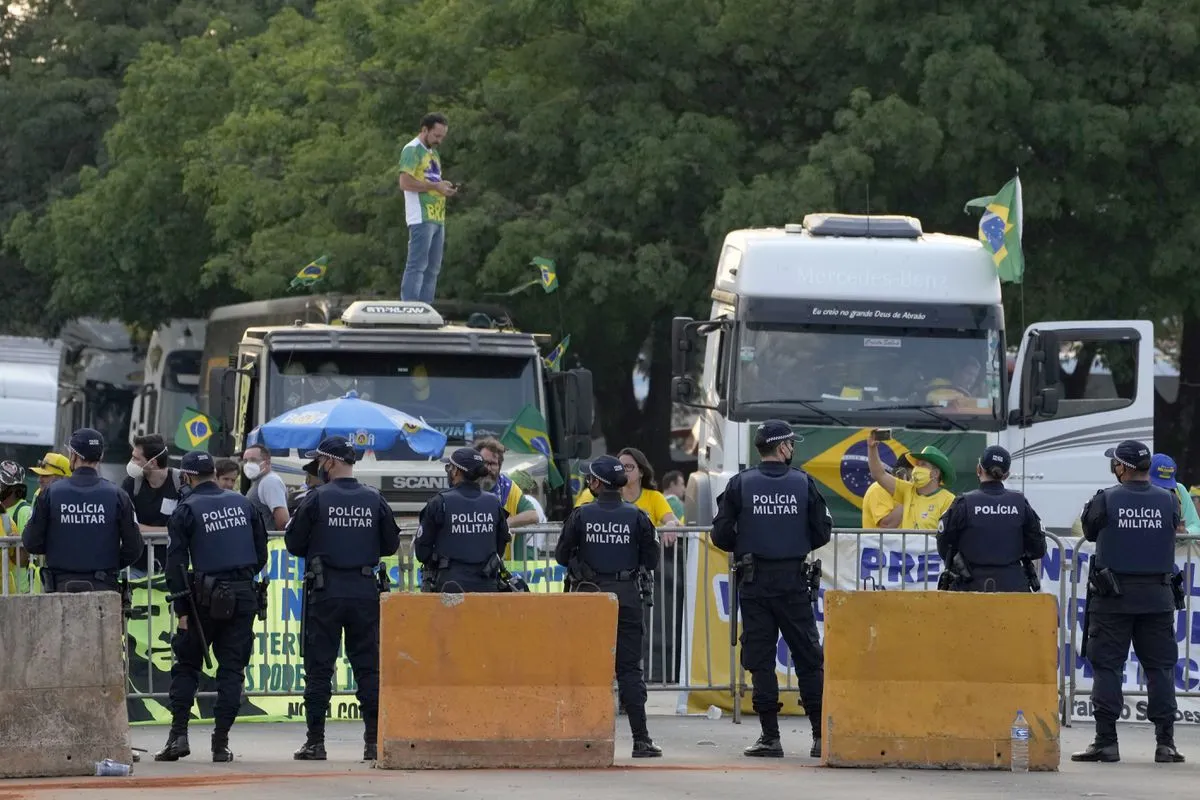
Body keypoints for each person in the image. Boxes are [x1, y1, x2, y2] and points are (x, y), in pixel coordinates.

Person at [711, 419, 832, 759]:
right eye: (791, 444)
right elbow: (822, 531)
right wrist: (791, 541)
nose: (792, 449)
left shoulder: (740, 484)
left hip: (755, 580)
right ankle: (820, 736)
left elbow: (720, 534)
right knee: (809, 659)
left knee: (760, 660)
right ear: (782, 448)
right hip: (793, 580)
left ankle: (770, 737)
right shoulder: (804, 483)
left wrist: (749, 543)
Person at [285, 436, 400, 761]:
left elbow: (294, 543)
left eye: (320, 461)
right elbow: (390, 545)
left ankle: (316, 742)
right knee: (368, 669)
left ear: (330, 462)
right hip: (365, 591)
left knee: (319, 668)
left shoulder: (316, 499)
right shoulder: (374, 499)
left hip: (326, 591)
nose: (318, 467)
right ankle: (372, 742)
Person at [1071, 440, 1184, 765]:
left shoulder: (1106, 498)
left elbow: (1090, 532)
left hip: (1113, 598)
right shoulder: (1168, 499)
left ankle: (1106, 742)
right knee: (1160, 669)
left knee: (1108, 667)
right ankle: (1166, 744)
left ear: (1121, 467)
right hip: (1157, 598)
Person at [154, 450, 267, 764]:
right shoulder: (244, 504)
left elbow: (175, 564)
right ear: (214, 474)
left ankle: (178, 736)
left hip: (201, 599)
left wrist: (183, 611)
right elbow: (261, 556)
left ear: (188, 477)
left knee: (187, 665)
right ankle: (221, 744)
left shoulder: (186, 509)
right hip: (243, 596)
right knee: (232, 671)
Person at [555, 455, 662, 758]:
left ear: (596, 483)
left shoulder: (580, 515)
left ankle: (581, 738)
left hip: (589, 599)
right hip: (627, 596)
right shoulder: (639, 516)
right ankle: (641, 740)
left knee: (586, 668)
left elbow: (562, 556)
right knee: (629, 669)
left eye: (589, 478)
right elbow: (651, 559)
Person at [22, 428, 144, 592]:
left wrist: (57, 549)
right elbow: (134, 547)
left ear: (73, 455)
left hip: (60, 586)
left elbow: (31, 542)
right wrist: (109, 562)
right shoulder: (118, 495)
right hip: (104, 587)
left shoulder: (50, 494)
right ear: (100, 456)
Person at [935, 446, 1047, 592]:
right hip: (1013, 588)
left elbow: (944, 546)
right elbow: (1037, 548)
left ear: (978, 469)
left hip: (969, 587)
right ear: (1006, 475)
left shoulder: (963, 503)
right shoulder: (1020, 503)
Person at [414, 447, 510, 593]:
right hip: (487, 585)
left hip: (450, 586)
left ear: (456, 471)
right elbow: (501, 544)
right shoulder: (494, 502)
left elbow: (422, 551)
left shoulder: (440, 502)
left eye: (449, 467)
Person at [398, 112, 456, 304]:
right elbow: (405, 182)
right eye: (436, 136)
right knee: (417, 265)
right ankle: (411, 308)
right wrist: (434, 186)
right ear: (425, 130)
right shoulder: (412, 150)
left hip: (437, 216)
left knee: (433, 268)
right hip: (421, 216)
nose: (439, 141)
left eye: (442, 137)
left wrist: (442, 186)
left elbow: (430, 179)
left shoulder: (433, 152)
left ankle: (425, 309)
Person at [866, 440, 956, 530]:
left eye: (923, 464)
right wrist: (872, 448)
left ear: (935, 473)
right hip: (906, 544)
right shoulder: (907, 490)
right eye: (917, 464)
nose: (917, 468)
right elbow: (879, 474)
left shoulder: (948, 500)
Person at [474, 437, 540, 528]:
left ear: (499, 467)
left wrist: (503, 523)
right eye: (484, 463)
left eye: (493, 464)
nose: (488, 469)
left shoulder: (508, 488)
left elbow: (533, 515)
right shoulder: (466, 486)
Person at [1, 460, 33, 594]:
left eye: (3, 484)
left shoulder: (24, 510)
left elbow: (26, 556)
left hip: (20, 586)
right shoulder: (4, 509)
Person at [241, 444, 290, 531]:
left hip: (268, 542)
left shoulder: (270, 481)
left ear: (267, 462)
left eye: (253, 460)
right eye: (245, 461)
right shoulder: (259, 481)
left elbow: (283, 521)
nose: (248, 464)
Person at [1149, 453, 1200, 534]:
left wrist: (1186, 532)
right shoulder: (1137, 492)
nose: (1163, 489)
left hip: (1175, 545)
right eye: (1158, 484)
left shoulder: (1179, 489)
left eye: (1166, 485)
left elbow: (1196, 526)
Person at [861, 462, 911, 529]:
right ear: (902, 473)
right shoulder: (879, 489)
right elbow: (886, 525)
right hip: (880, 539)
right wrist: (908, 496)